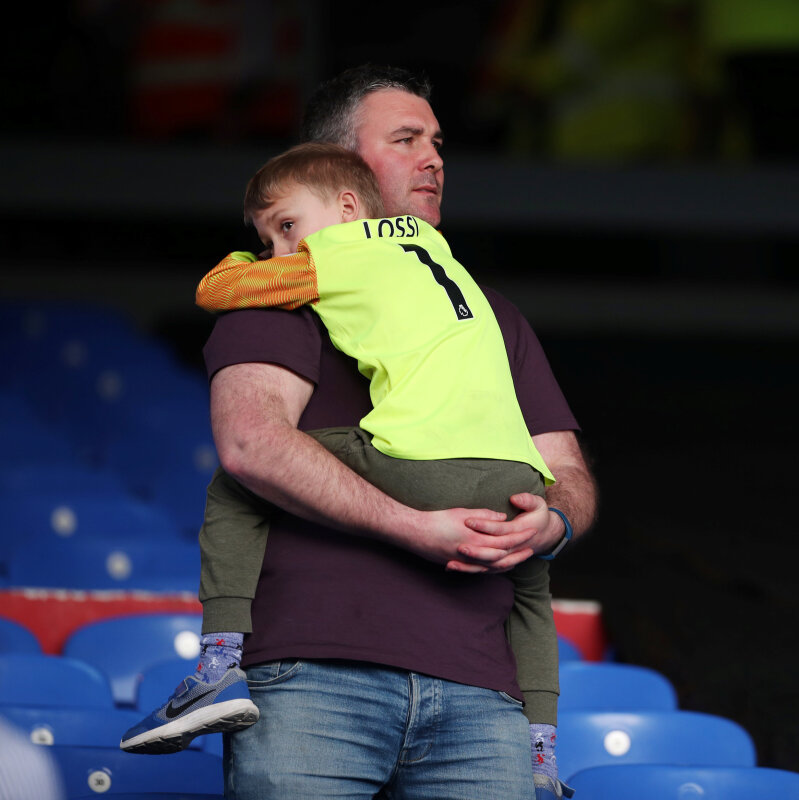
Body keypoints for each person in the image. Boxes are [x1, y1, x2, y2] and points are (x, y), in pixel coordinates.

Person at [196, 64, 594, 799]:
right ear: (341, 170)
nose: (434, 158)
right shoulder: (282, 283)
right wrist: (413, 525)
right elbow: (251, 443)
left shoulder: (489, 309)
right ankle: (216, 657)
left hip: (482, 695)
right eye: (407, 139)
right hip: (316, 680)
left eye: (438, 142)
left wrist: (555, 518)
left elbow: (564, 467)